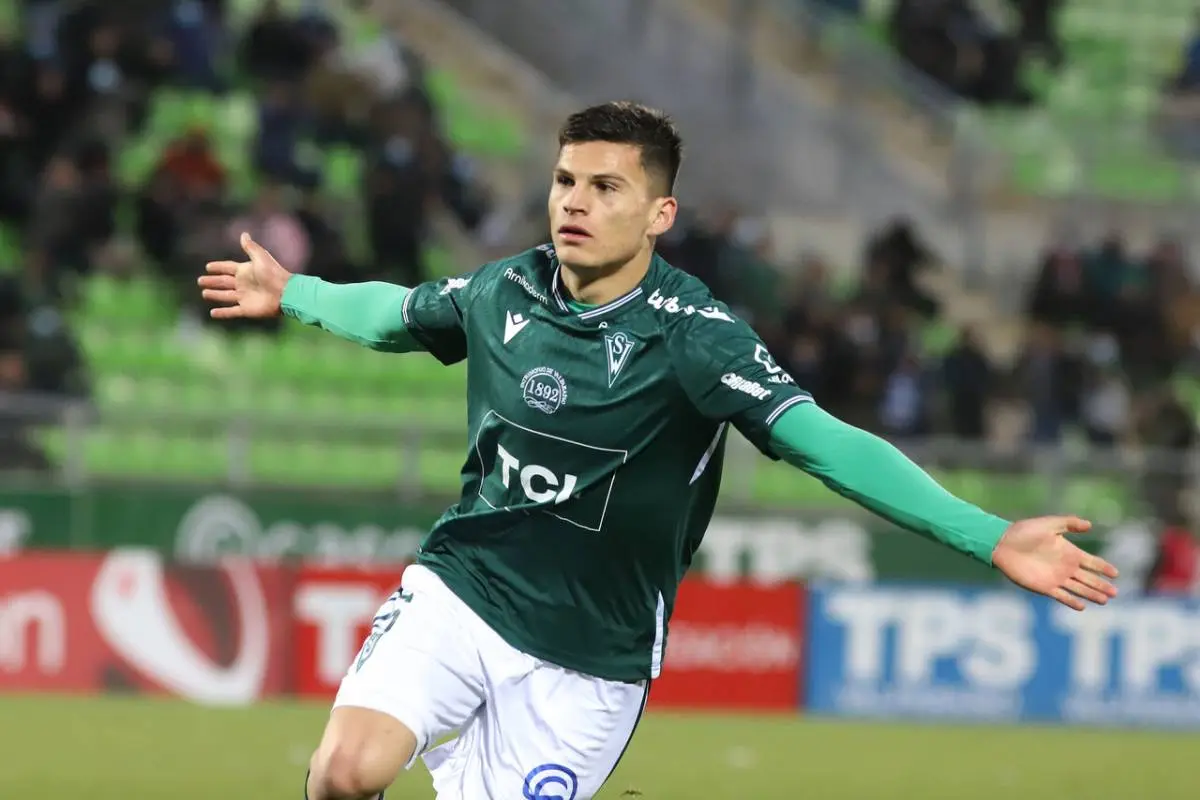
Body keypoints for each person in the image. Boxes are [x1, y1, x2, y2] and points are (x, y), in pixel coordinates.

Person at [198, 102, 1119, 800]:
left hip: (591, 654)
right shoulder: (504, 288)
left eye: (607, 188)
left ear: (659, 214)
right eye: (566, 181)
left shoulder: (697, 337)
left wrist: (987, 534)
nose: (576, 203)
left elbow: (825, 443)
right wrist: (301, 292)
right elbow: (399, 315)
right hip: (463, 587)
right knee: (343, 773)